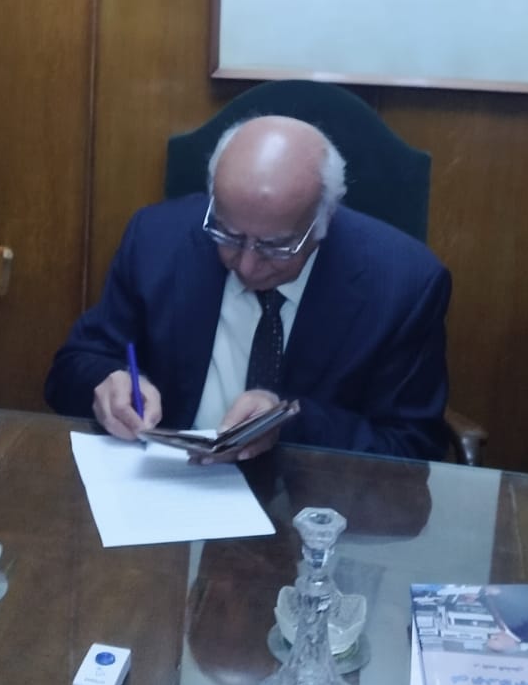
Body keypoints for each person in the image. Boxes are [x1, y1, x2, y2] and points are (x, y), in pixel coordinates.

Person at [45, 116, 451, 460]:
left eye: (277, 246)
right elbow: (73, 366)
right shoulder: (157, 239)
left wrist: (289, 423)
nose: (246, 265)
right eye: (228, 235)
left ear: (325, 219)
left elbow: (411, 449)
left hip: (310, 506)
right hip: (165, 487)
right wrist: (107, 383)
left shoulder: (403, 286)